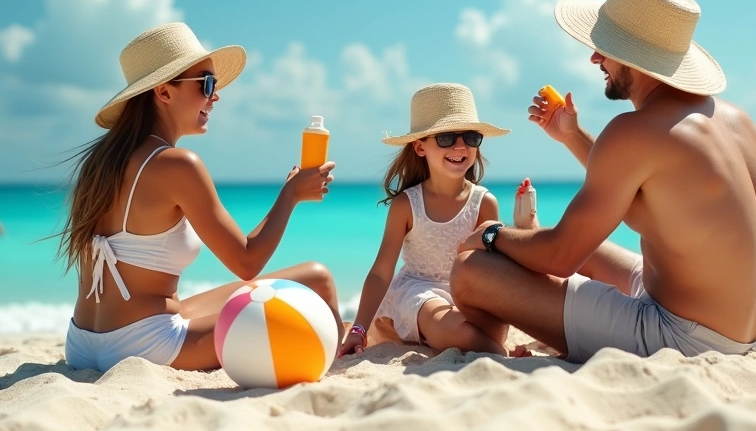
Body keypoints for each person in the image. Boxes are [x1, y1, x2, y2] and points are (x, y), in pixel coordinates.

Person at [451, 0, 756, 361]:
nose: (594, 57)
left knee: (470, 271)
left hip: (681, 339)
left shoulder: (633, 131)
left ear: (634, 57)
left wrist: (492, 234)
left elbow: (560, 258)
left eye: (604, 47)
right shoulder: (738, 122)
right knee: (575, 244)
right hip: (744, 331)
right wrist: (572, 135)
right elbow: (645, 184)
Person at [58, 22, 343, 372]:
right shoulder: (177, 164)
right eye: (206, 83)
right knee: (318, 279)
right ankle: (344, 356)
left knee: (275, 288)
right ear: (163, 92)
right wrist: (291, 195)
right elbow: (248, 261)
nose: (216, 95)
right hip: (149, 345)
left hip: (81, 344)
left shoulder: (100, 161)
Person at [338, 83, 523, 357]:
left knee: (482, 328)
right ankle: (502, 355)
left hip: (468, 293)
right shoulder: (407, 205)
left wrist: (526, 226)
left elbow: (494, 269)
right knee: (457, 331)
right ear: (420, 147)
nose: (460, 146)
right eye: (446, 137)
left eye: (470, 137)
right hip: (419, 292)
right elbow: (381, 271)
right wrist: (359, 329)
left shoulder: (484, 202)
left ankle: (493, 347)